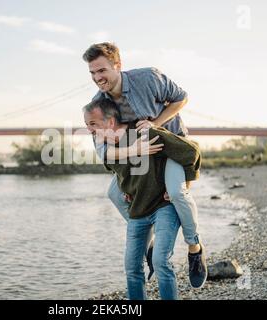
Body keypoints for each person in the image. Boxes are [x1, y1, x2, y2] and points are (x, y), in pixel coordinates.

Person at [82, 42, 207, 288]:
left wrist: (156, 123)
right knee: (114, 194)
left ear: (118, 65)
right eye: (93, 73)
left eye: (102, 70)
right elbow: (105, 152)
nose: (98, 78)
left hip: (169, 148)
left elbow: (181, 98)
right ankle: (149, 244)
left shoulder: (148, 78)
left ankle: (194, 248)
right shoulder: (98, 106)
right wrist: (133, 157)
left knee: (176, 193)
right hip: (140, 158)